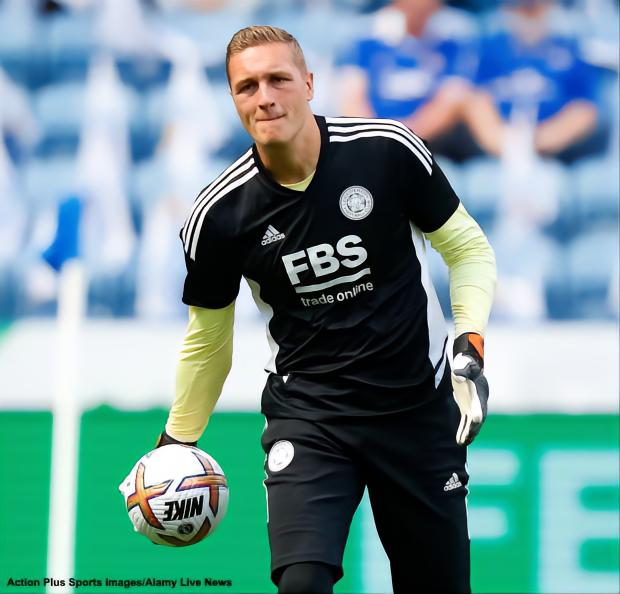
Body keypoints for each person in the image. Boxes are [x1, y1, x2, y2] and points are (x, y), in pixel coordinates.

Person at [156, 25, 496, 593]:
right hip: (311, 419)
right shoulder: (219, 215)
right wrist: (178, 440)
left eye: (278, 79)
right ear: (233, 100)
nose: (265, 97)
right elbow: (209, 340)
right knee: (301, 584)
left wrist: (471, 341)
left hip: (416, 409)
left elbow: (468, 250)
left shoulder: (386, 150)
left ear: (310, 83)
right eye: (247, 87)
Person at [462, 0, 604, 163]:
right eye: (521, 8)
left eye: (534, 9)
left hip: (555, 153)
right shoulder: (489, 47)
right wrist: (502, 143)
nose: (527, 15)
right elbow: (474, 98)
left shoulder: (571, 49)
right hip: (494, 147)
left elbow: (586, 109)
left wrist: (535, 142)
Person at [338, 0, 480, 161]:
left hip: (434, 146)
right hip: (371, 144)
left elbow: (453, 98)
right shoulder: (364, 34)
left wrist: (404, 139)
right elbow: (351, 99)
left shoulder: (456, 34)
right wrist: (378, 139)